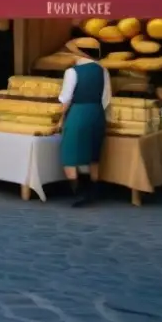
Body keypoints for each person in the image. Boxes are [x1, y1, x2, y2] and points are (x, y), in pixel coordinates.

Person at [59, 50, 111, 206]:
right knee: (93, 153)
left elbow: (66, 98)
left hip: (78, 112)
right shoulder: (103, 70)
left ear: (77, 54)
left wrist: (60, 118)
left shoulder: (72, 72)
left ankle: (78, 192)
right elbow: (106, 99)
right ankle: (94, 191)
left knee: (69, 153)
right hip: (97, 112)